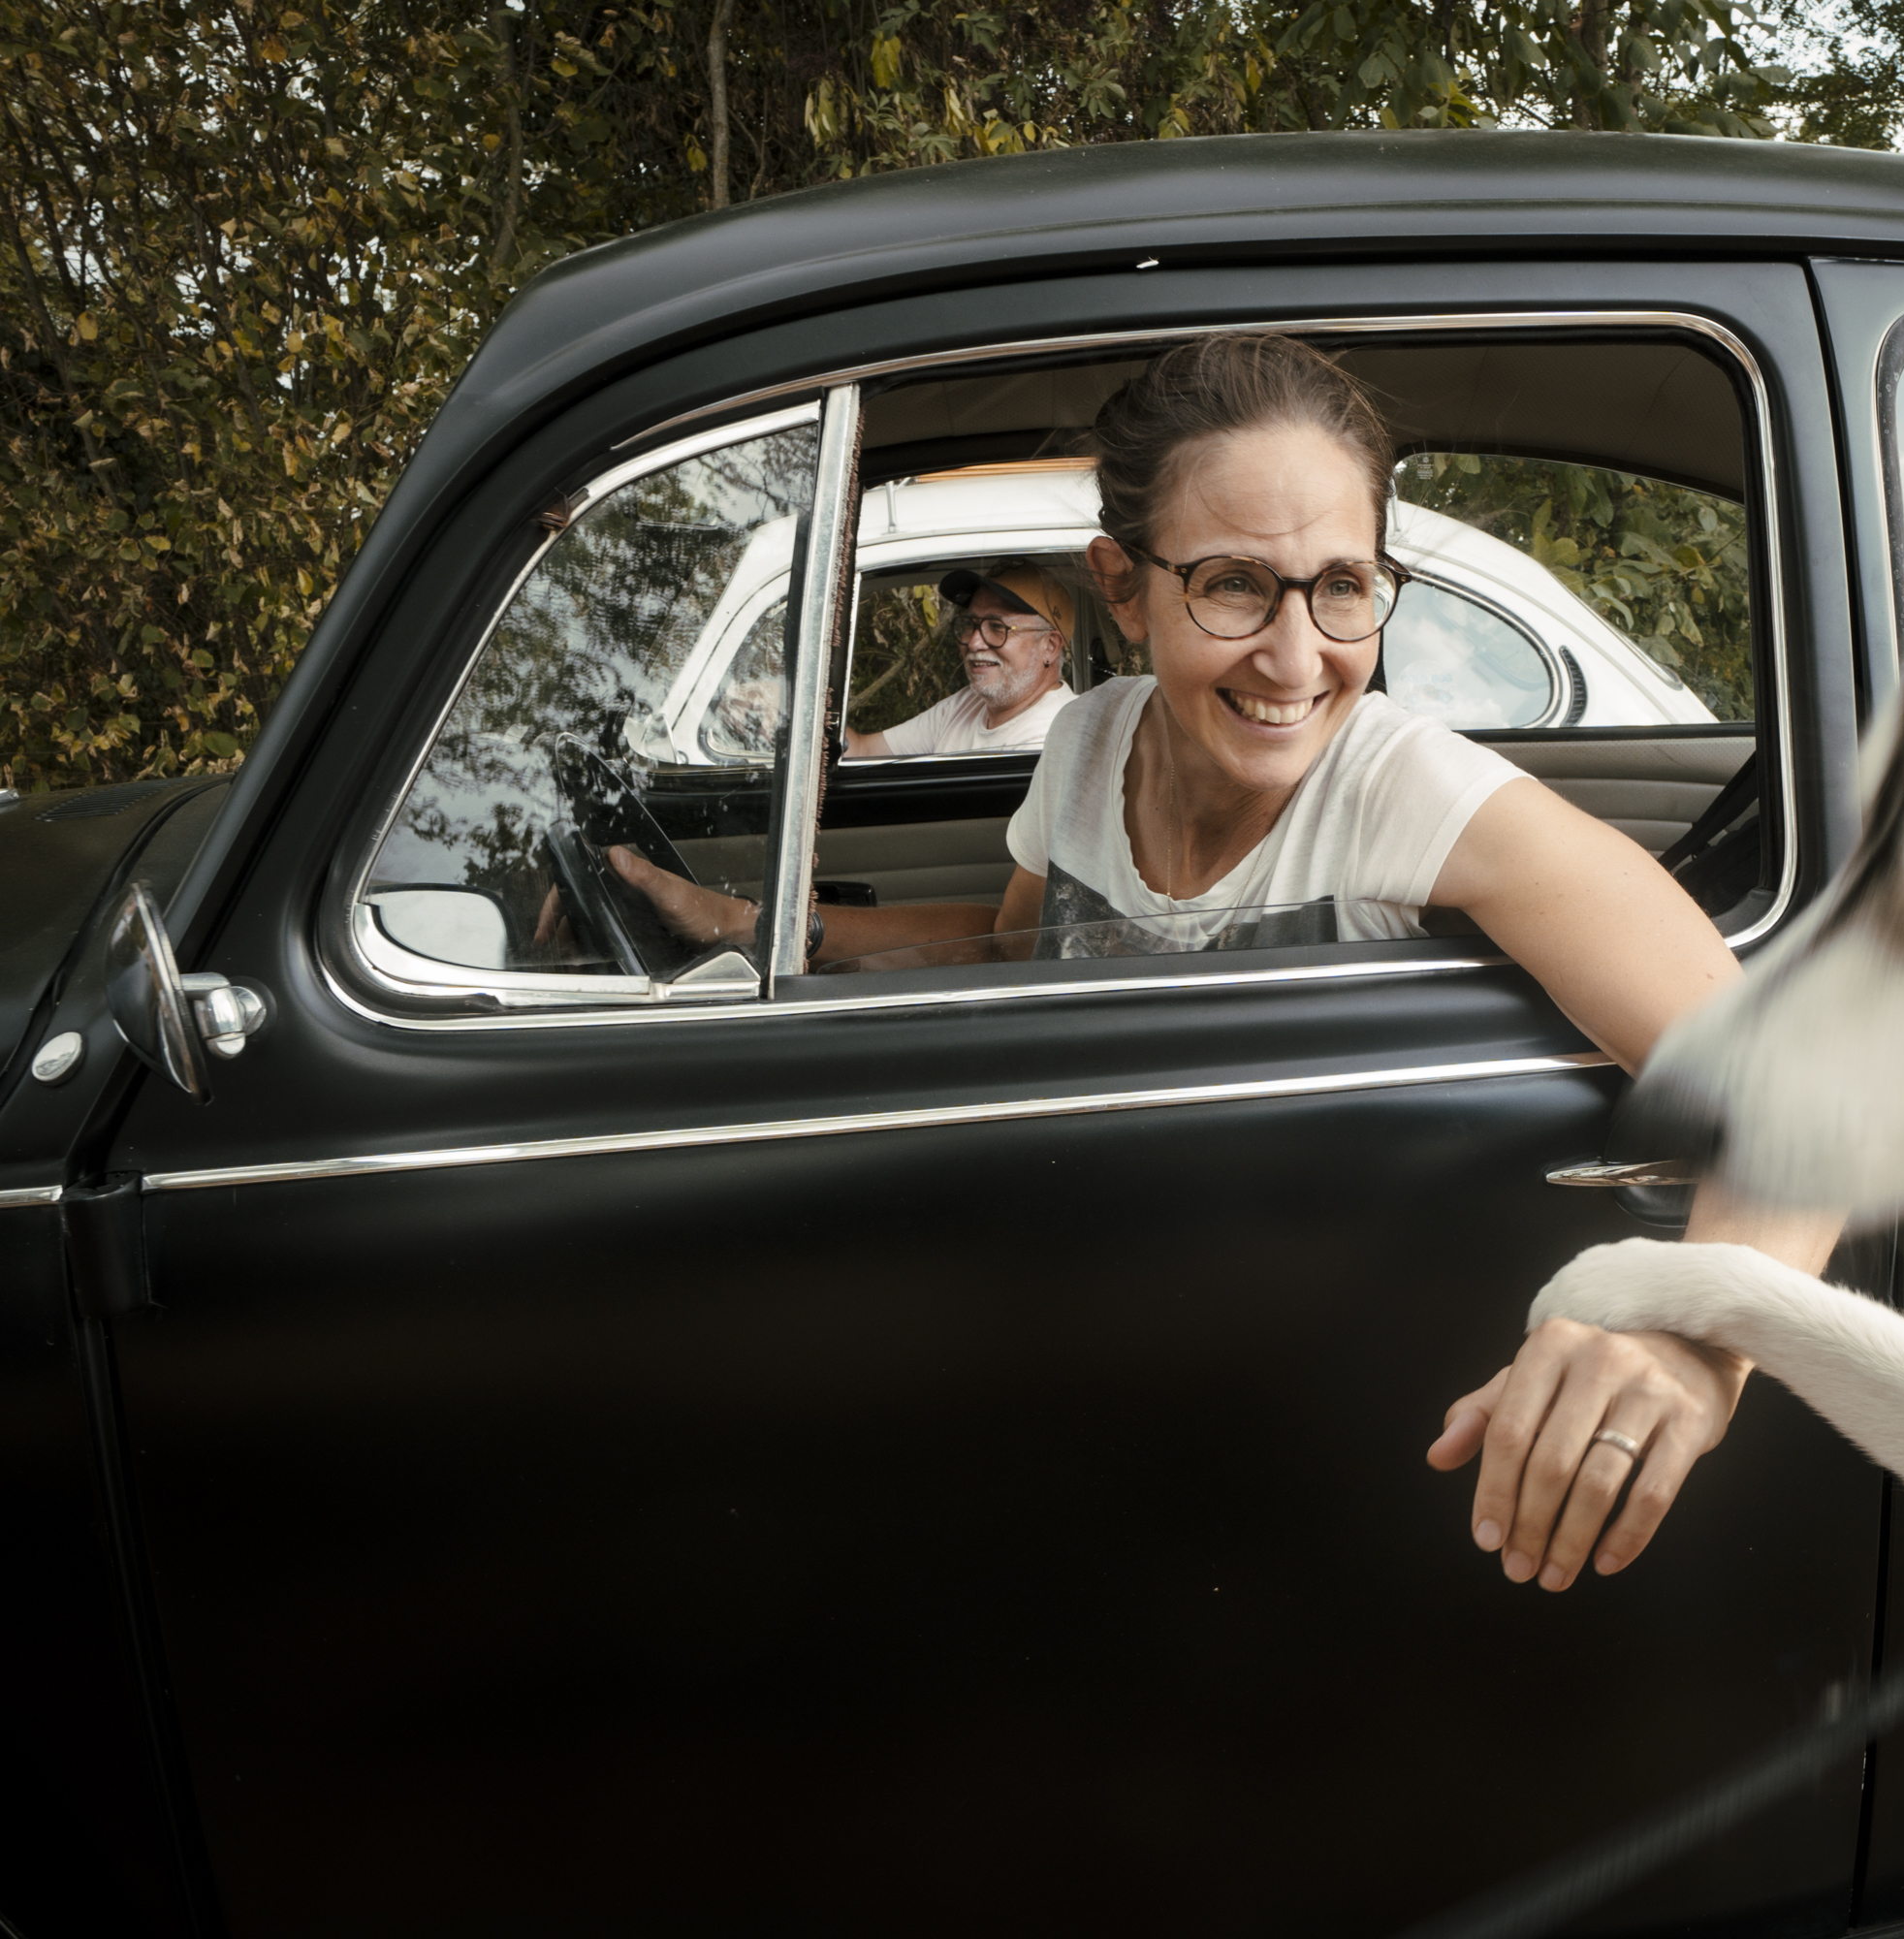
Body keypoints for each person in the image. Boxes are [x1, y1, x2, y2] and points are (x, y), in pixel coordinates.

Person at [600, 337, 1839, 1591]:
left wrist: (1697, 1339)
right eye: (1234, 585)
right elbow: (1009, 948)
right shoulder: (1088, 742)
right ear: (1121, 590)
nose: (1297, 660)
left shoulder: (1400, 783)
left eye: (1341, 586)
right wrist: (758, 926)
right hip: (1096, 1331)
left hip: (1335, 1408)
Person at [841, 563, 1076, 758]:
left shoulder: (1054, 736)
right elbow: (862, 751)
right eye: (970, 624)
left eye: (997, 627)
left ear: (1050, 647)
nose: (974, 643)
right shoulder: (967, 705)